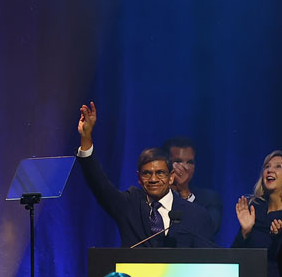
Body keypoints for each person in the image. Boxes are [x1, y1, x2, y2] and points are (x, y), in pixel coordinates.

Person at [72, 103, 217, 248]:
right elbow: (99, 184)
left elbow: (206, 259)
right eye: (147, 174)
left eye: (160, 173)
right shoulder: (130, 205)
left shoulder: (195, 214)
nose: (153, 179)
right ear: (139, 178)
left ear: (171, 177)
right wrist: (86, 138)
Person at [164, 135, 222, 240]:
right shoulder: (154, 196)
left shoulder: (209, 198)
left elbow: (210, 229)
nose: (185, 167)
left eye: (190, 162)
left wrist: (184, 191)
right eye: (178, 161)